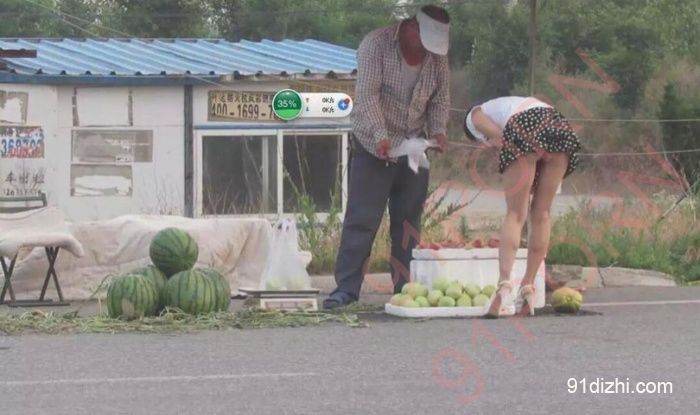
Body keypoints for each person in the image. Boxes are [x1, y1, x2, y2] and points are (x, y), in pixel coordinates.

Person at [323, 5, 451, 309]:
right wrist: (380, 135)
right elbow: (367, 94)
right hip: (374, 144)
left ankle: (405, 288)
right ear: (412, 28)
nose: (426, 52)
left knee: (408, 223)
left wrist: (438, 131)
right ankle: (346, 289)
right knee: (362, 220)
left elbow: (440, 99)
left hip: (414, 147)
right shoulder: (375, 45)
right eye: (423, 44)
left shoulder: (436, 58)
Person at [463, 96, 581, 317]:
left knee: (516, 214)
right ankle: (528, 286)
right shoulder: (509, 104)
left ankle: (504, 285)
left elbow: (496, 133)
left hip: (525, 126)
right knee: (542, 213)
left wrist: (508, 153)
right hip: (559, 127)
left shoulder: (474, 115)